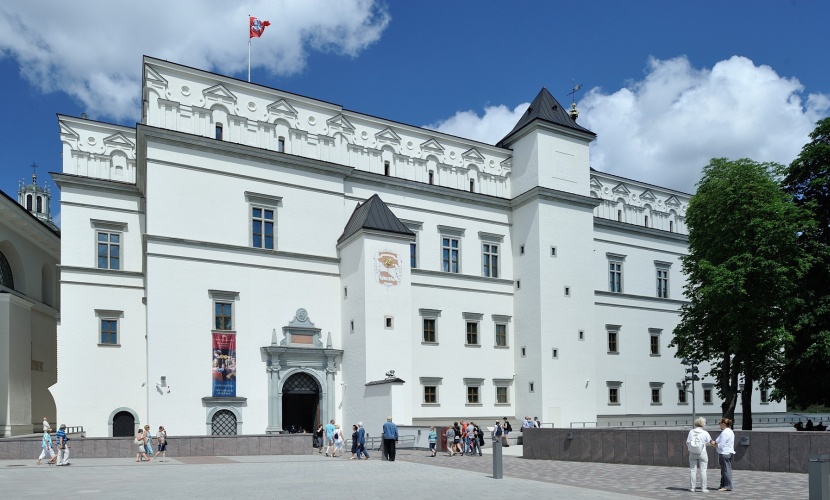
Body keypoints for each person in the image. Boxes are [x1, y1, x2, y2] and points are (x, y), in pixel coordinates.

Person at [686, 417, 713, 492]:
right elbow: (710, 442)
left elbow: (687, 442)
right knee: (703, 470)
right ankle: (703, 488)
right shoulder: (705, 433)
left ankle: (692, 487)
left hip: (692, 453)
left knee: (692, 470)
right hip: (702, 453)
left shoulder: (691, 432)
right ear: (703, 424)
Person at [713, 418, 735, 492]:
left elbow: (720, 445)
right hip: (728, 452)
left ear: (723, 424)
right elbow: (718, 441)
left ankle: (728, 485)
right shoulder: (730, 431)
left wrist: (714, 444)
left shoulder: (725, 433)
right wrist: (715, 443)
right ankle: (723, 484)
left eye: (720, 423)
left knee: (726, 470)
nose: (719, 425)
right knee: (724, 470)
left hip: (724, 453)